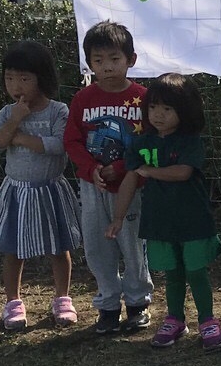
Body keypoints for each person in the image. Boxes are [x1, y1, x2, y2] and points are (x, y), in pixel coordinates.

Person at [107, 73, 221, 351]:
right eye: (153, 107)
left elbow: (183, 172)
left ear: (185, 111)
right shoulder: (140, 143)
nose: (158, 115)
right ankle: (174, 320)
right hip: (160, 222)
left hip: (194, 221)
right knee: (172, 274)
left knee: (196, 271)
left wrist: (149, 171)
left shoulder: (190, 141)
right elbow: (129, 179)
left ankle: (208, 321)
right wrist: (118, 217)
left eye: (167, 109)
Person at [63, 20, 154, 334]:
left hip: (133, 188)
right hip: (92, 188)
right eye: (98, 61)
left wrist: (129, 167)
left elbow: (152, 140)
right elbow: (72, 141)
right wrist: (91, 169)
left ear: (131, 60)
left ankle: (138, 301)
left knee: (133, 244)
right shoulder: (83, 100)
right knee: (97, 246)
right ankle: (108, 304)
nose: (107, 67)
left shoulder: (143, 98)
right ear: (89, 63)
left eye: (115, 59)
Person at [0, 40, 82, 331]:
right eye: (10, 78)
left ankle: (62, 298)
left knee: (59, 247)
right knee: (13, 249)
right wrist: (14, 123)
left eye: (25, 78)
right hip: (17, 191)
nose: (17, 85)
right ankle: (13, 302)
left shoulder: (57, 111)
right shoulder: (7, 113)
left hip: (51, 189)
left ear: (43, 78)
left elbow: (58, 145)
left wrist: (23, 139)